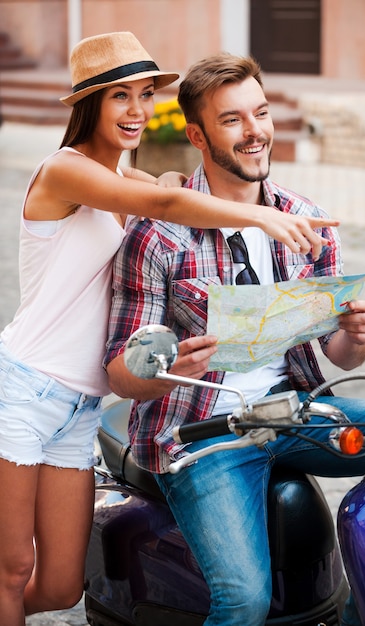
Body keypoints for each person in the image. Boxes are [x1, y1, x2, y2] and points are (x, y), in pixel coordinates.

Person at [0, 35, 340, 626]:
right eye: (119, 98)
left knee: (59, 588)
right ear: (88, 106)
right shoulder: (64, 171)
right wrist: (266, 214)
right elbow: (173, 207)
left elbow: (176, 204)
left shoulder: (132, 180)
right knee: (9, 570)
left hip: (80, 406)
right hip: (23, 390)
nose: (136, 110)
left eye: (145, 95)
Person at [105, 53, 365, 626]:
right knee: (244, 601)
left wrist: (357, 338)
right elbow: (118, 373)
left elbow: (336, 356)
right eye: (232, 120)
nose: (255, 131)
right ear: (197, 135)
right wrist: (165, 365)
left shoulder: (307, 221)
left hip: (292, 412)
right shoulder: (158, 237)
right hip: (200, 437)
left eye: (259, 113)